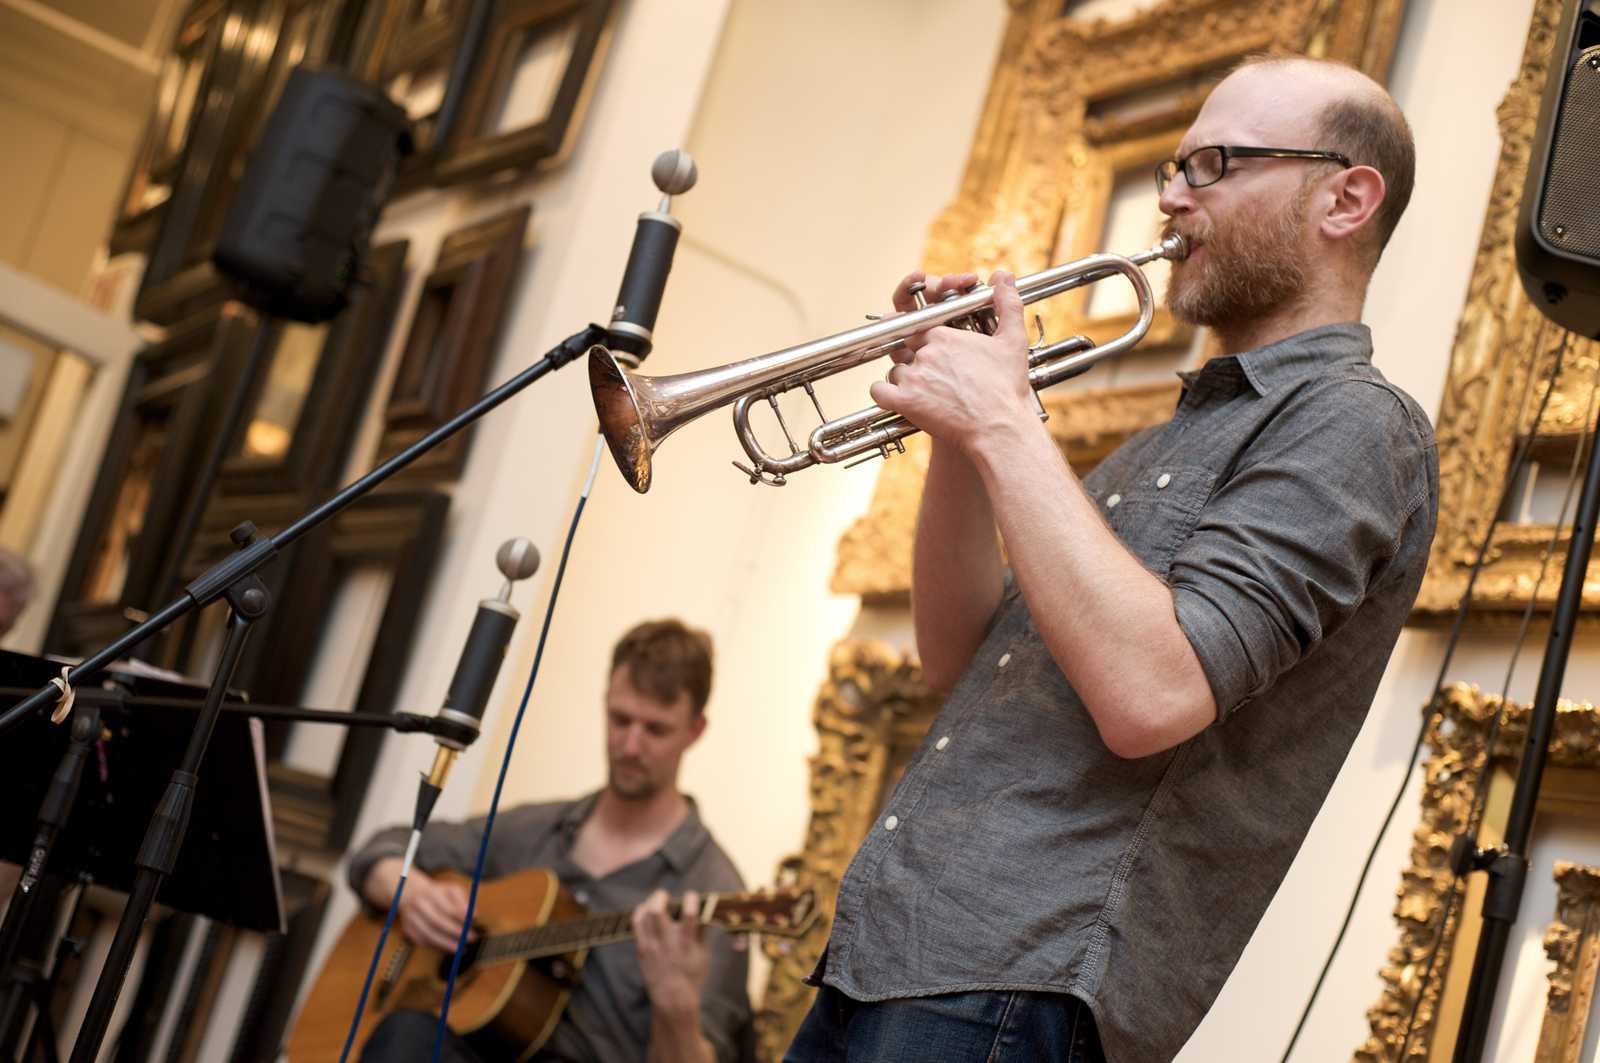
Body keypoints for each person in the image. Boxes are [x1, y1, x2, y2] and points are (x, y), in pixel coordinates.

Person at [783, 56, 1437, 1063]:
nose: (1171, 195)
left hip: (1024, 976)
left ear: (1343, 199)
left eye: (1213, 165)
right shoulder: (1166, 437)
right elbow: (957, 661)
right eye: (1175, 165)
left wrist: (1005, 424)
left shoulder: (1352, 426)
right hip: (897, 942)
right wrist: (960, 438)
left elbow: (1151, 693)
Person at [350, 619, 752, 1063]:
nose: (631, 745)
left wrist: (676, 1007)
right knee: (407, 1033)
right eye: (620, 720)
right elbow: (384, 847)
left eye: (655, 730)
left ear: (694, 731)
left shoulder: (715, 891)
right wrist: (409, 891)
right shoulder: (536, 830)